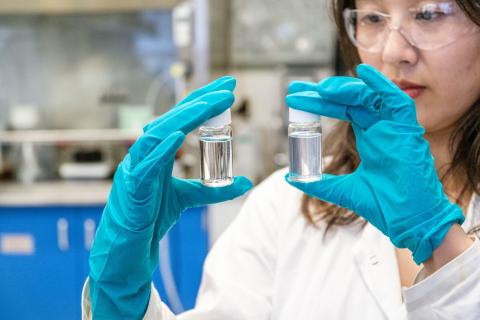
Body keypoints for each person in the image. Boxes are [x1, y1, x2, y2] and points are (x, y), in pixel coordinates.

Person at [82, 0, 480, 319]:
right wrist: (122, 301)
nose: (394, 52)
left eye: (430, 14)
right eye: (373, 17)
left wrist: (443, 245)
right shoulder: (286, 205)